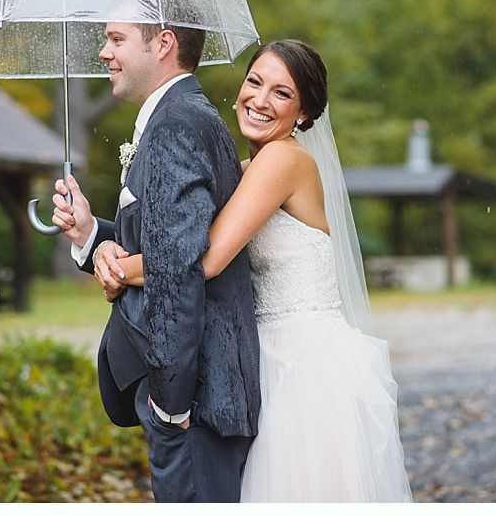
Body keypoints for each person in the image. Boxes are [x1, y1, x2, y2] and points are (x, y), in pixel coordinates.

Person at [95, 39, 413, 502]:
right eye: (255, 82)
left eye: (282, 94)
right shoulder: (244, 169)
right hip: (260, 356)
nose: (260, 100)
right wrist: (100, 243)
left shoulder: (284, 161)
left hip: (301, 364)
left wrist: (120, 270)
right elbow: (176, 240)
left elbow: (202, 261)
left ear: (303, 113)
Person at [50, 11, 260, 503]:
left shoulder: (176, 126)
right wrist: (89, 235)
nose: (105, 52)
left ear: (162, 43)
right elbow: (165, 245)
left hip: (193, 399)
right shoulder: (179, 118)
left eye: (117, 39)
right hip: (195, 393)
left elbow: (178, 271)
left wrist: (170, 403)